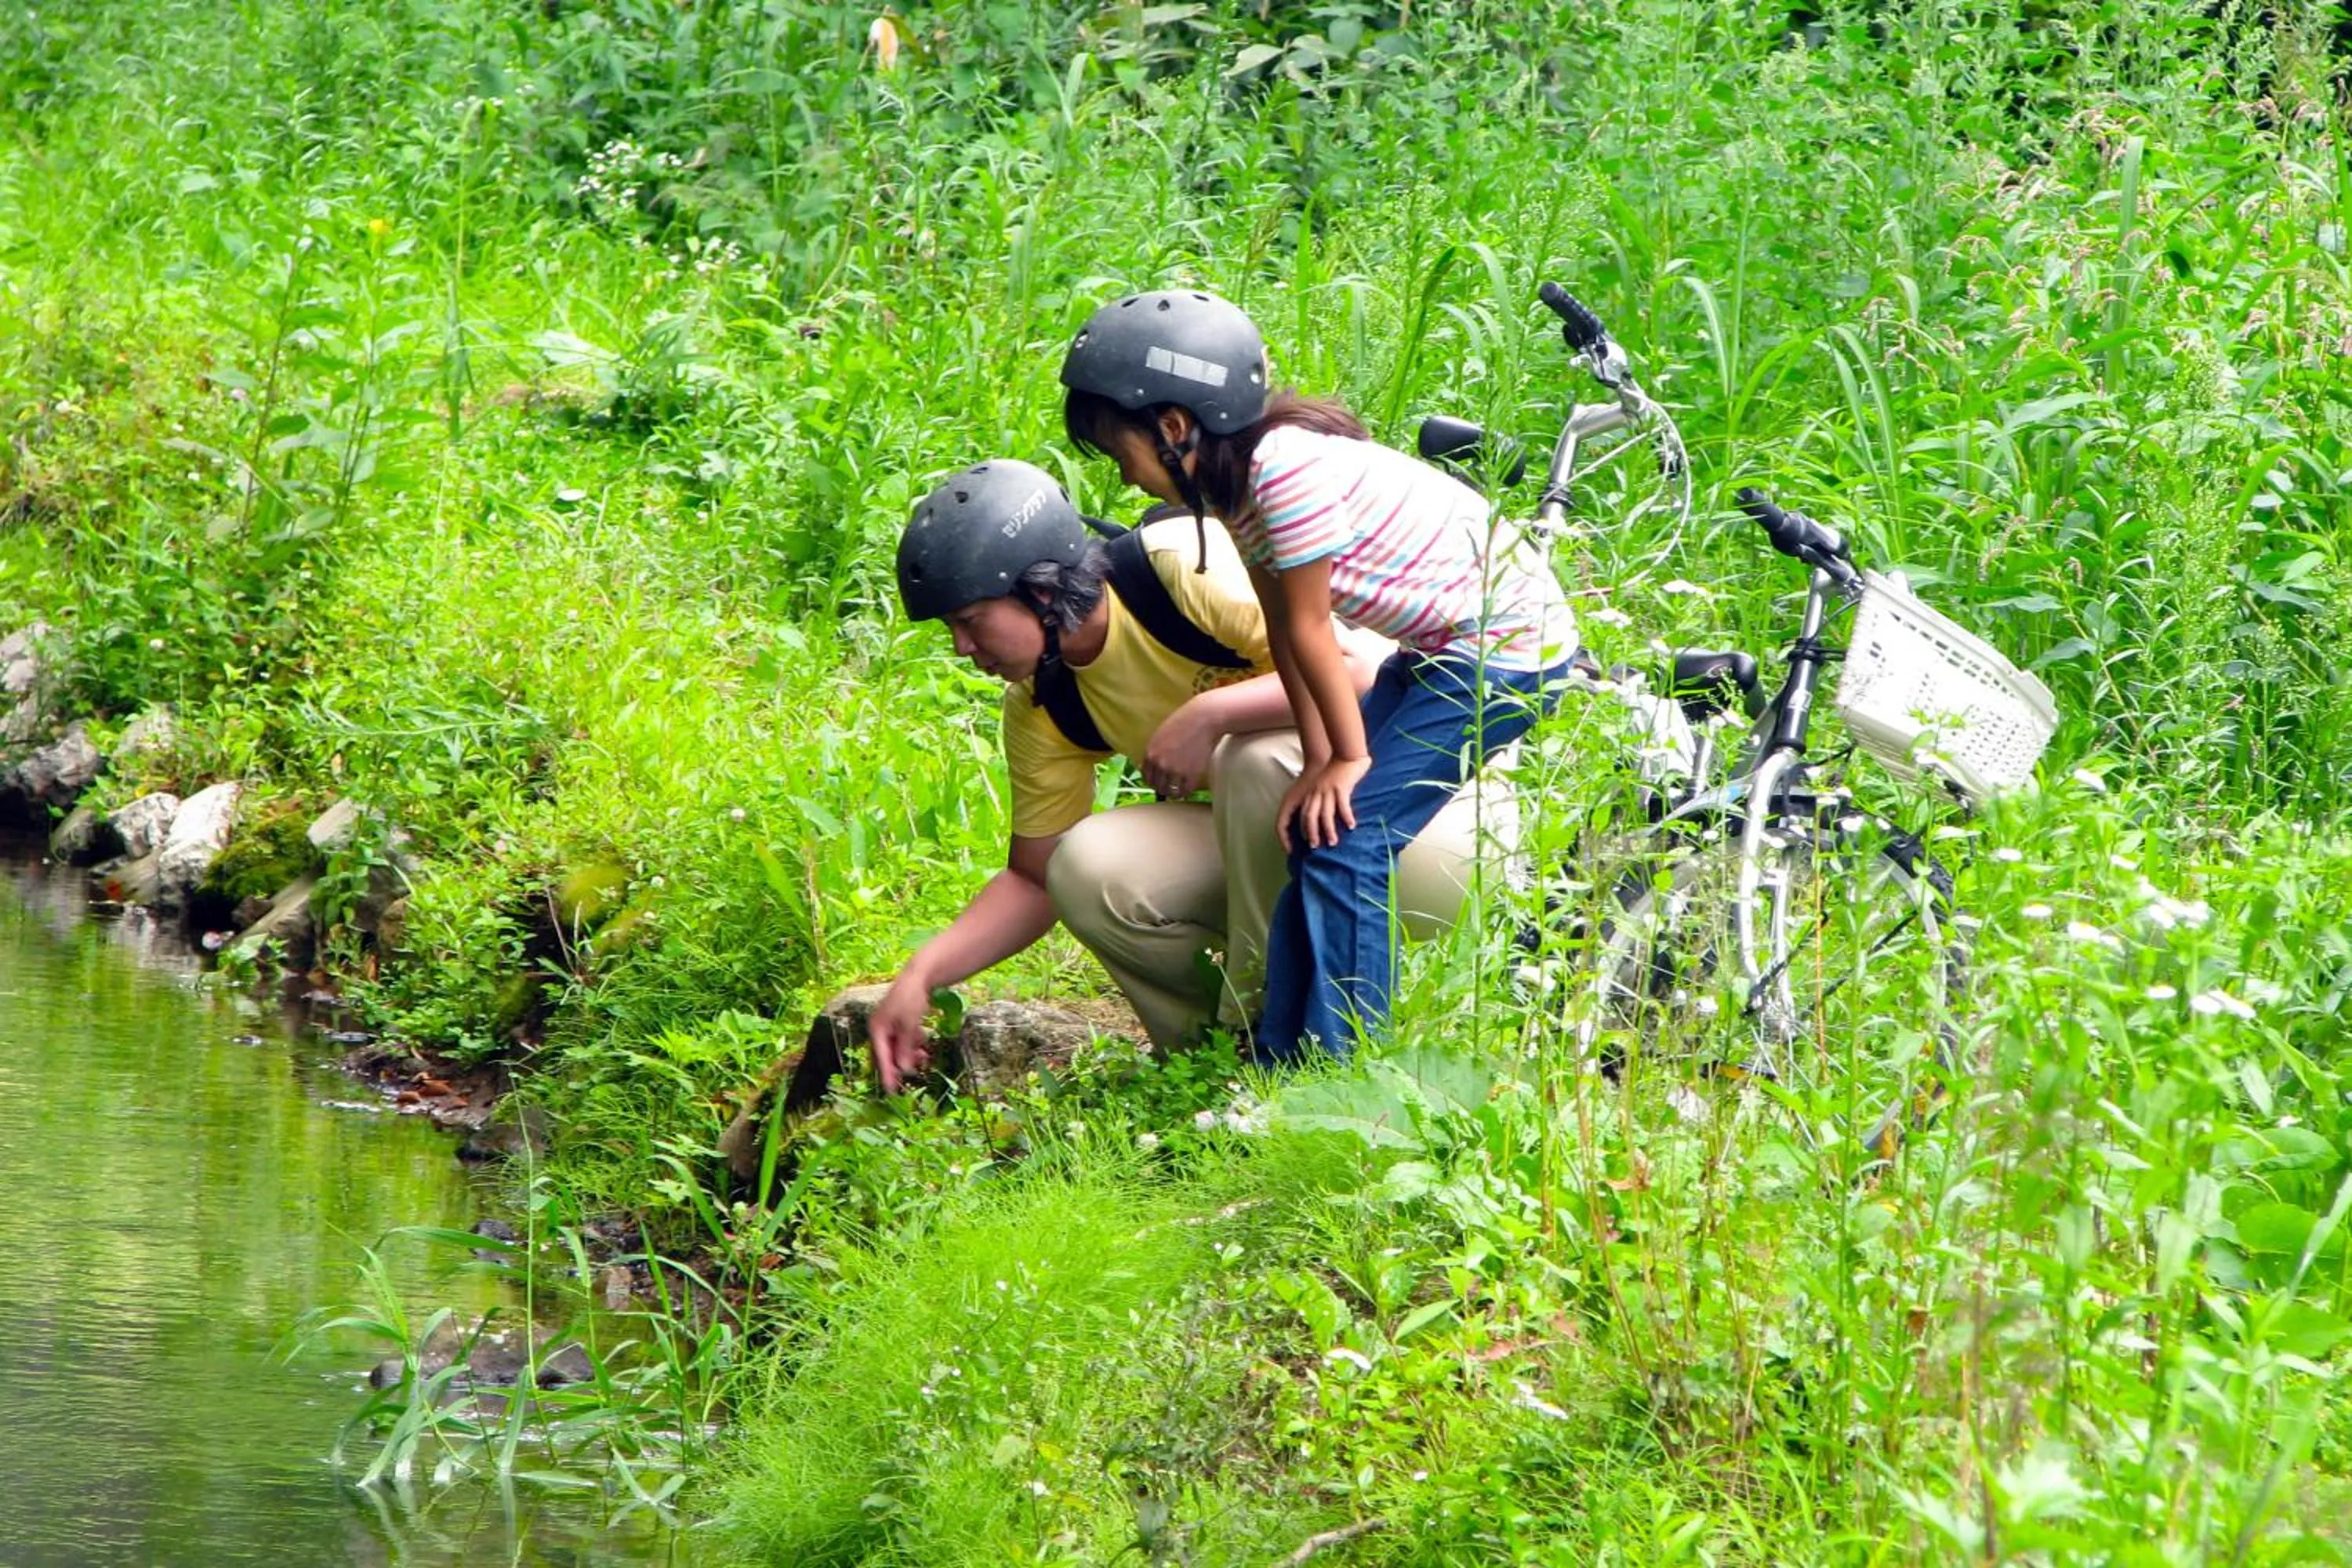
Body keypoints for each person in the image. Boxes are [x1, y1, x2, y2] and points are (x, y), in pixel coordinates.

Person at [869, 457, 1519, 1092]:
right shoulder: (1046, 702)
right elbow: (1032, 878)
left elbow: (1363, 674)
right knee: (1086, 865)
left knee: (1253, 757)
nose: (961, 647)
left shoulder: (1182, 564)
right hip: (1303, 855)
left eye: (970, 621)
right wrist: (921, 976)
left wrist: (1211, 713)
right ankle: (1211, 1071)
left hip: (1435, 836)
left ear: (1038, 591)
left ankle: (1292, 1048)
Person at [1061, 288, 1575, 1062]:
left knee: (1352, 840)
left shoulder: (1283, 472)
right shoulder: (1236, 499)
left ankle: (1347, 1072)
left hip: (1506, 651)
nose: (1126, 480)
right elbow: (1282, 634)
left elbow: (1314, 631)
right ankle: (1280, 1058)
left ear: (1172, 427)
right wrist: (1317, 757)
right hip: (1444, 649)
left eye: (1120, 453)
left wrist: (1348, 760)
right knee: (1316, 826)